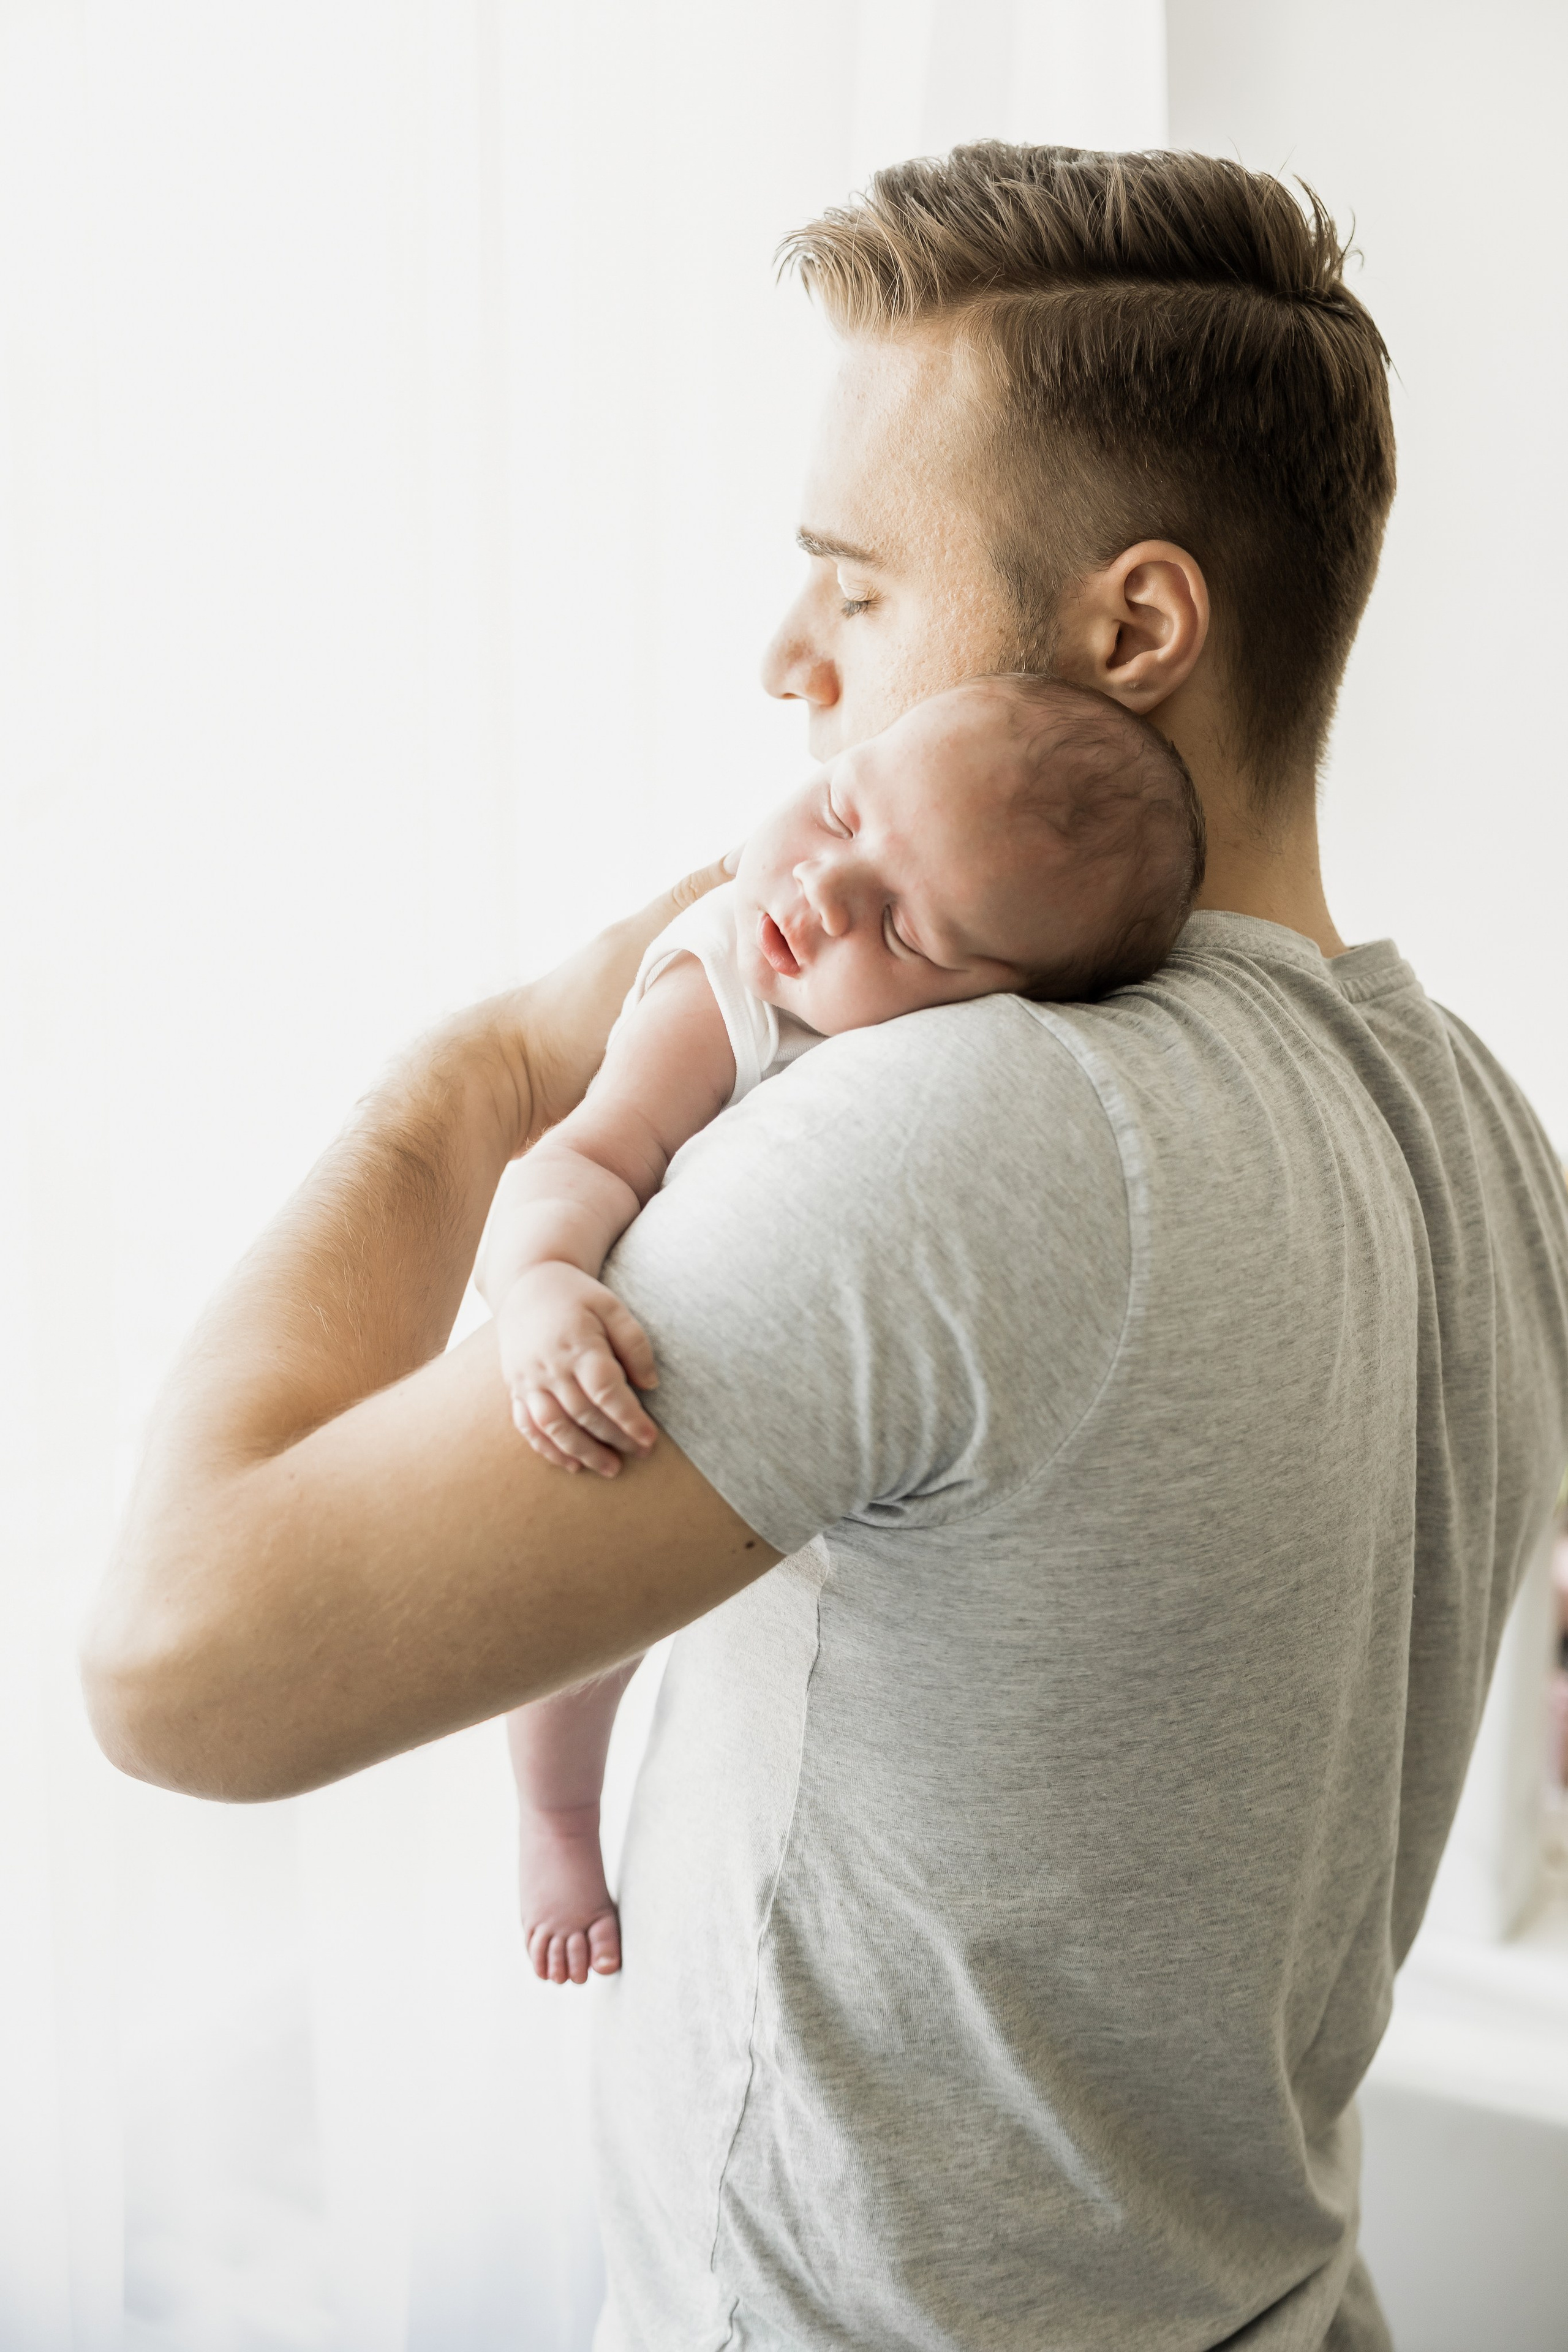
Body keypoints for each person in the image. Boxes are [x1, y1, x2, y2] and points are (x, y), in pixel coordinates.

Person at [81, 146, 1568, 2352]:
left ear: (1136, 630)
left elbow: (177, 1668)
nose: (791, 663)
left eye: (855, 590)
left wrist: (502, 1054)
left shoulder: (971, 1132)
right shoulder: (1479, 1126)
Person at [481, 675, 1204, 1984]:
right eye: (835, 809)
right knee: (580, 1651)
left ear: (1001, 998)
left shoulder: (962, 1056)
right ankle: (552, 1816)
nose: (819, 891)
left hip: (773, 1445)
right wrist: (538, 1289)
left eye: (905, 933)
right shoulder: (724, 995)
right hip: (597, 1364)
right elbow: (571, 1160)